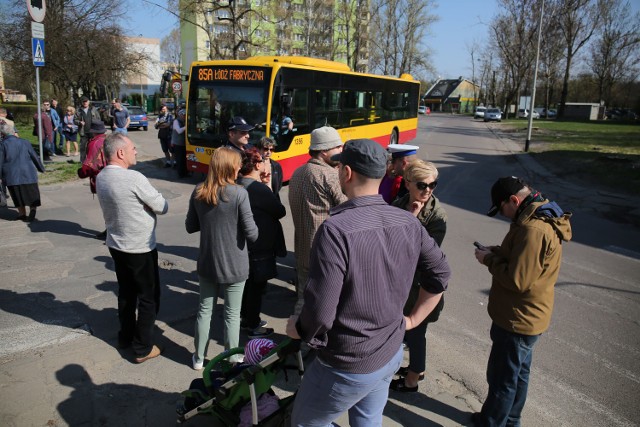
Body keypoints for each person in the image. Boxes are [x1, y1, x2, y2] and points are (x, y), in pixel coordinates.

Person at [286, 138, 451, 427]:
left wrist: (299, 330)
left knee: (303, 422)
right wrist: (411, 321)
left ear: (345, 173)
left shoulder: (336, 229)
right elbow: (440, 275)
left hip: (347, 362)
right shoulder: (408, 221)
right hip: (389, 352)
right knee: (368, 420)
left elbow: (321, 311)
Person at [473, 176, 572, 427]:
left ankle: (492, 423)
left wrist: (488, 260)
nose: (505, 216)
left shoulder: (532, 229)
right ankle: (509, 420)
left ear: (514, 200)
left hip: (517, 320)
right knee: (518, 376)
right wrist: (499, 251)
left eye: (503, 209)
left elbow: (518, 280)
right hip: (528, 316)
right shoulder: (536, 215)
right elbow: (526, 260)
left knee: (502, 380)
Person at [96, 133, 168, 363]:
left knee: (126, 293)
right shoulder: (133, 178)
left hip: (116, 244)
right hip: (139, 246)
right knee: (148, 297)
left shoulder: (101, 177)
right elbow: (162, 205)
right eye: (133, 148)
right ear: (120, 153)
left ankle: (125, 337)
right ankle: (143, 348)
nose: (136, 151)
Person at [185, 147, 258, 370]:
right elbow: (252, 233)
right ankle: (233, 358)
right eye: (237, 164)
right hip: (235, 264)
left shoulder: (199, 190)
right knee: (232, 314)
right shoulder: (239, 194)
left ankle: (198, 358)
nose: (239, 167)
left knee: (204, 311)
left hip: (207, 262)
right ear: (229, 166)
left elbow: (190, 226)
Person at [390, 160, 447, 393]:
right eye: (422, 185)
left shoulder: (436, 216)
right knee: (406, 332)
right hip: (400, 283)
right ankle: (415, 368)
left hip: (420, 287)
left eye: (433, 185)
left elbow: (421, 254)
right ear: (408, 183)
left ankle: (413, 379)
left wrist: (412, 221)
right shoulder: (399, 203)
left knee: (415, 333)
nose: (428, 190)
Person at [288, 126, 347, 315]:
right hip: (325, 251)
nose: (341, 151)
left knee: (303, 299)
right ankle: (309, 343)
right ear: (323, 151)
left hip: (303, 249)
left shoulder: (297, 173)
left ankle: (297, 338)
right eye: (337, 148)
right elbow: (349, 208)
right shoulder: (329, 175)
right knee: (325, 304)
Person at [237, 147, 286, 339]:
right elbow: (279, 210)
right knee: (256, 287)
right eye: (264, 160)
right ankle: (253, 324)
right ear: (257, 165)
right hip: (260, 244)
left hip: (243, 244)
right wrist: (268, 187)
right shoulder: (257, 189)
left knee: (246, 285)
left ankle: (245, 318)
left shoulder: (238, 183)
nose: (267, 162)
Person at [0, 119, 45, 221]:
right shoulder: (25, 142)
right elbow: (34, 156)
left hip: (12, 174)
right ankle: (32, 209)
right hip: (28, 172)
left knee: (17, 193)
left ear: (2, 134)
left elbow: (0, 161)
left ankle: (22, 213)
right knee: (31, 192)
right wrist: (41, 168)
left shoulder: (3, 145)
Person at [77, 120, 108, 240]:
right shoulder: (109, 140)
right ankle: (112, 230)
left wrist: (81, 172)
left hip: (102, 178)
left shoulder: (94, 143)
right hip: (115, 175)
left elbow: (90, 165)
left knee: (107, 207)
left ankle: (111, 232)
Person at [75, 96, 101, 162]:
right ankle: (83, 162)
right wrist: (79, 122)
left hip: (93, 131)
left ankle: (93, 161)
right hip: (83, 132)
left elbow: (99, 119)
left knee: (93, 147)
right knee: (83, 148)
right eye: (83, 101)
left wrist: (97, 128)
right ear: (82, 102)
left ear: (88, 102)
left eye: (86, 101)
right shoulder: (78, 110)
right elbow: (74, 120)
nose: (85, 103)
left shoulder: (93, 109)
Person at [171, 109, 187, 178]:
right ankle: (180, 174)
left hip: (184, 143)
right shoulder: (176, 121)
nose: (184, 116)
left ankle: (185, 173)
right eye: (183, 115)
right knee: (179, 159)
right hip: (178, 144)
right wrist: (186, 127)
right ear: (180, 115)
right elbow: (179, 131)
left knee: (184, 159)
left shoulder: (184, 121)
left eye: (185, 115)